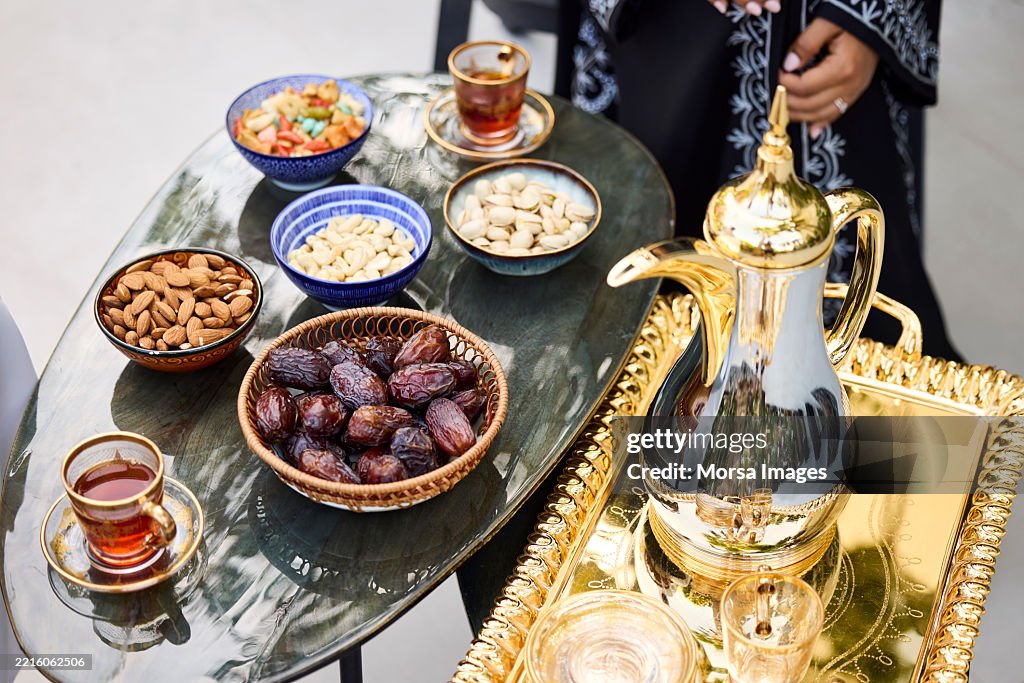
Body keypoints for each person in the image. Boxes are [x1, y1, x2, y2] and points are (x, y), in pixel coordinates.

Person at [570, 0, 959, 360]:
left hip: (831, 49)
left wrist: (870, 20)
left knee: (870, 356)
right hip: (666, 40)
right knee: (636, 321)